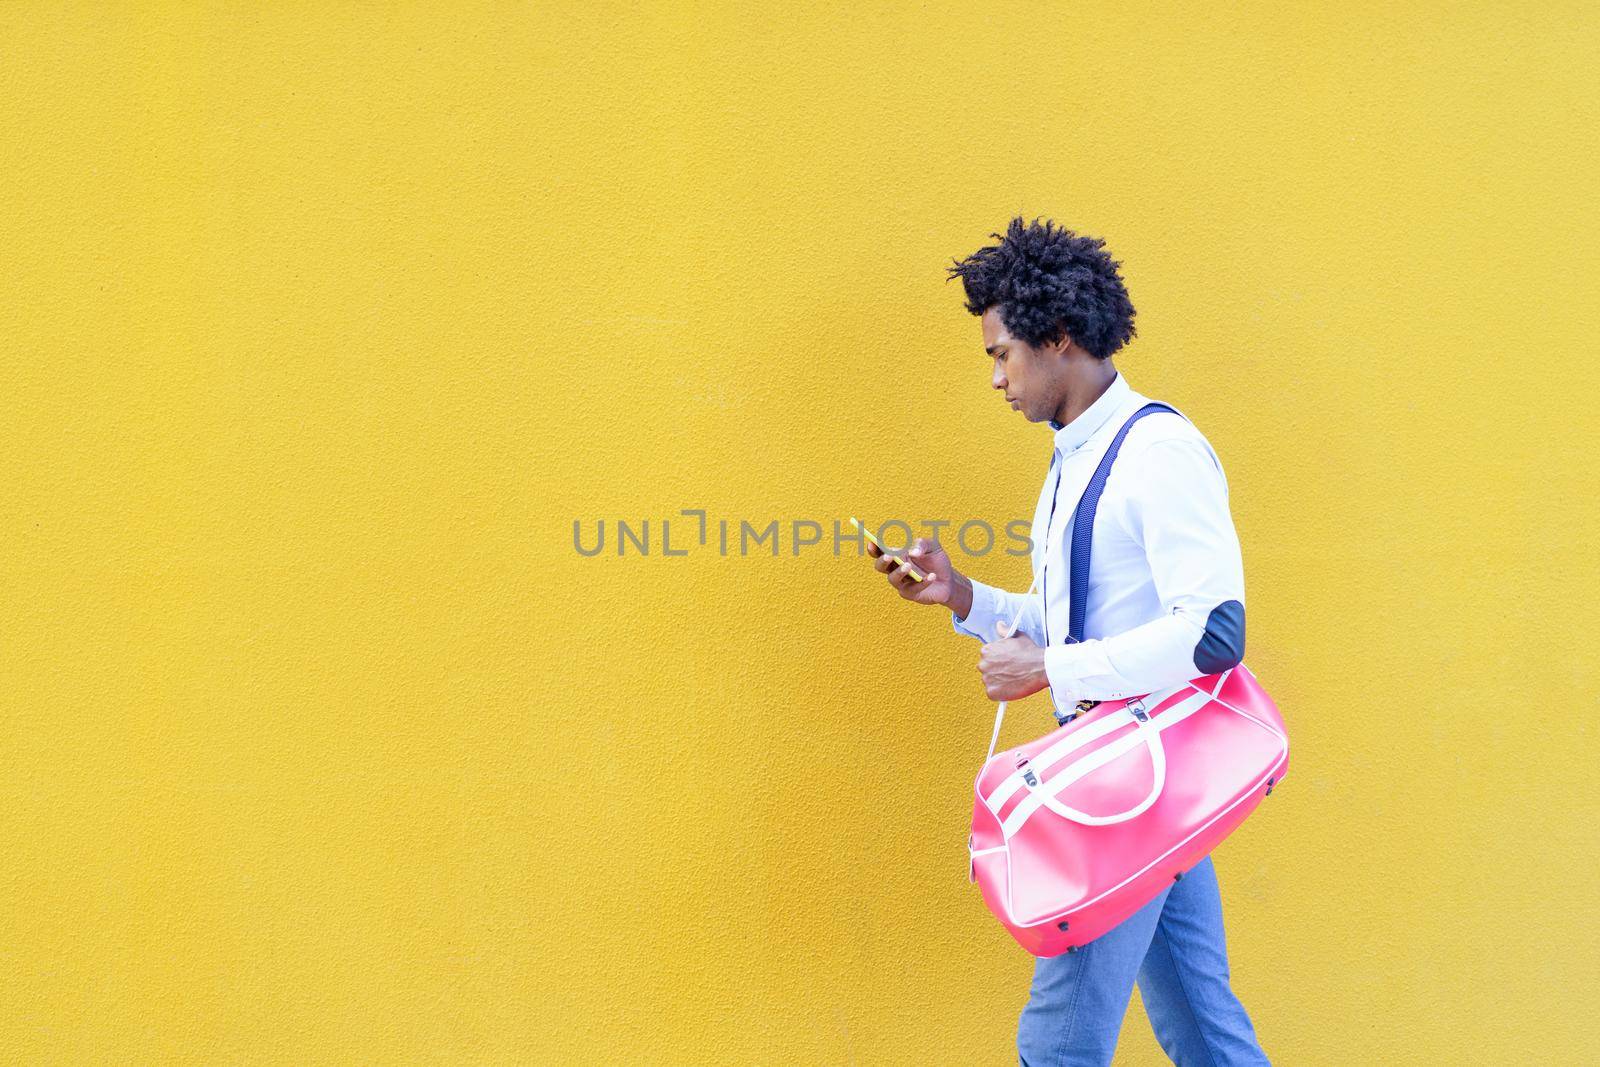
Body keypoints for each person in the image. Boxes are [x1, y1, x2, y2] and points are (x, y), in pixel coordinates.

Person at [865, 217, 1270, 1066]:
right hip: (1136, 784)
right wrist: (962, 595)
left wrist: (1049, 667)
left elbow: (1214, 633)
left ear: (1058, 340)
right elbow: (1080, 618)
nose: (995, 379)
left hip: (1122, 791)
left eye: (1001, 353)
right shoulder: (1072, 459)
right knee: (1203, 1028)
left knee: (1056, 1043)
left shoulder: (1158, 451)